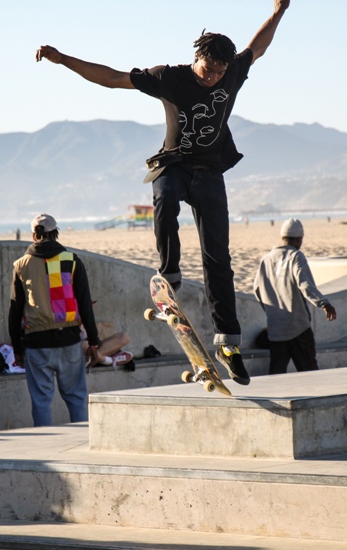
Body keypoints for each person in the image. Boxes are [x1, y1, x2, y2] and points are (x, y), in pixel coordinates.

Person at [35, 0, 291, 385]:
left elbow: (260, 45)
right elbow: (112, 78)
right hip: (173, 164)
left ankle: (228, 343)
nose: (213, 79)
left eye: (220, 73)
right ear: (196, 59)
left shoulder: (231, 72)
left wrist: (278, 12)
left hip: (210, 172)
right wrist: (64, 59)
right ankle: (169, 271)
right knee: (164, 198)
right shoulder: (168, 77)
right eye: (208, 71)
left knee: (217, 258)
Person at [8, 213, 101, 427]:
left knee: (41, 402)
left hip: (36, 343)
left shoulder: (21, 265)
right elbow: (85, 304)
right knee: (76, 399)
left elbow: (14, 311)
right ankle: (80, 443)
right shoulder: (71, 260)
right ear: (55, 232)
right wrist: (93, 341)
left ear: (34, 235)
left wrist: (17, 349)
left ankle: (43, 449)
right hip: (69, 340)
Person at [253, 219, 337, 375]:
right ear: (299, 239)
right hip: (299, 328)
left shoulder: (266, 259)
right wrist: (324, 303)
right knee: (310, 373)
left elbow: (257, 290)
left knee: (276, 375)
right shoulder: (296, 256)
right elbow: (305, 284)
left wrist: (273, 313)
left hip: (276, 330)